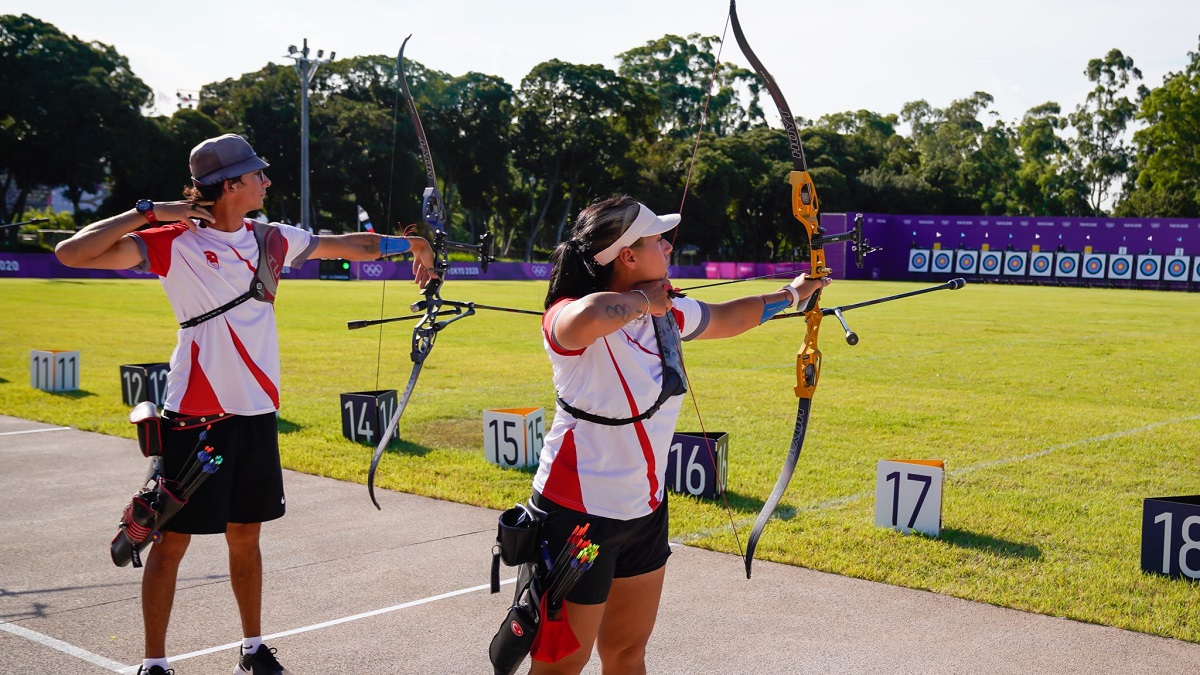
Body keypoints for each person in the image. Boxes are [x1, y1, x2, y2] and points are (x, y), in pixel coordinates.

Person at [55, 133, 436, 675]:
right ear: (231, 185)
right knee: (169, 543)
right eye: (257, 174)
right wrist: (146, 212)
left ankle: (253, 648)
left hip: (255, 412)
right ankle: (154, 662)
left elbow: (353, 245)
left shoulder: (272, 237)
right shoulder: (174, 239)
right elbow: (71, 253)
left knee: (246, 536)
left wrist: (414, 245)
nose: (267, 180)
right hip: (194, 415)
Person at [529, 195, 829, 674]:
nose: (668, 247)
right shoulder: (570, 316)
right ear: (627, 256)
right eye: (656, 240)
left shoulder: (668, 314)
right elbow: (581, 320)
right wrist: (645, 301)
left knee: (628, 654)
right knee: (562, 664)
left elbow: (732, 316)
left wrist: (794, 294)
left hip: (643, 512)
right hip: (576, 514)